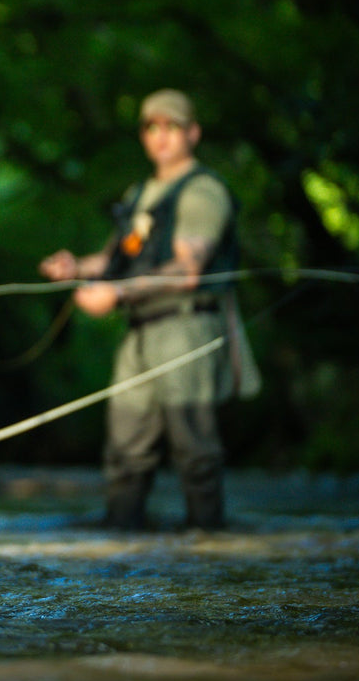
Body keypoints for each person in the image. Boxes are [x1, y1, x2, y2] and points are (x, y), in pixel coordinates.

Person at [39, 88, 259, 531]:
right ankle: (122, 549)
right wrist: (76, 267)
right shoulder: (140, 192)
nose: (161, 136)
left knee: (194, 450)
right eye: (152, 127)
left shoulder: (203, 191)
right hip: (139, 333)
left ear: (192, 133)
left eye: (172, 127)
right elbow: (115, 260)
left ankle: (209, 549)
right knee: (125, 451)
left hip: (187, 330)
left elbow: (187, 271)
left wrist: (116, 295)